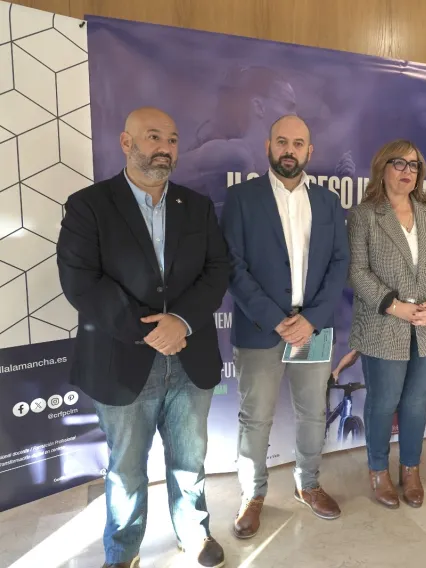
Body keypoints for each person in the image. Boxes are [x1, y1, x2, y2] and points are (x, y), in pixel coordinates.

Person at [57, 107, 230, 568]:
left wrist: (182, 322)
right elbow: (81, 281)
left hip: (190, 356)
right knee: (126, 467)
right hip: (121, 358)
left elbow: (217, 270)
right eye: (153, 137)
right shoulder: (88, 205)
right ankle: (123, 550)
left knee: (190, 459)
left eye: (172, 140)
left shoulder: (196, 206)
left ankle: (194, 533)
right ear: (126, 143)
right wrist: (152, 331)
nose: (165, 148)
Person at [220, 115, 350, 538]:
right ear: (268, 147)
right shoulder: (241, 198)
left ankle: (307, 484)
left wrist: (311, 319)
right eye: (281, 142)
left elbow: (339, 264)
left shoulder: (328, 202)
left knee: (313, 411)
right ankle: (253, 495)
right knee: (255, 417)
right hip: (262, 328)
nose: (289, 150)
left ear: (310, 151)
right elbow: (232, 266)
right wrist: (278, 320)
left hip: (314, 327)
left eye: (297, 143)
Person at [347, 139, 426, 509]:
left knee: (415, 402)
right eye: (398, 163)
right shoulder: (365, 215)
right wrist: (394, 306)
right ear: (382, 168)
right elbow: (356, 271)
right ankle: (378, 470)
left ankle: (410, 468)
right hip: (383, 325)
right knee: (383, 402)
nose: (407, 171)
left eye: (414, 165)